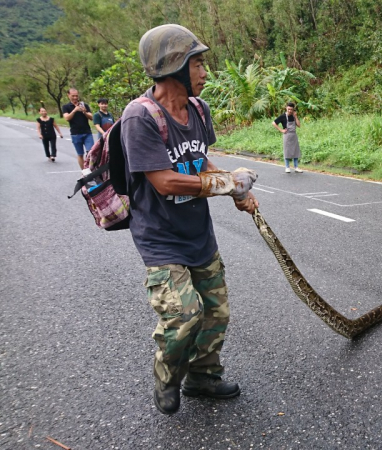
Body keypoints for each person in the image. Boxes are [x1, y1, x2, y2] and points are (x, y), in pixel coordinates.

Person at [121, 24, 259, 415]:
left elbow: (199, 160)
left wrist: (236, 190)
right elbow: (164, 182)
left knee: (215, 313)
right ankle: (167, 374)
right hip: (160, 239)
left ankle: (203, 376)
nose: (204, 72)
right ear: (174, 66)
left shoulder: (199, 109)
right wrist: (227, 183)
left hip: (199, 234)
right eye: (198, 63)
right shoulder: (140, 117)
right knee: (184, 315)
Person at [62, 88, 95, 169]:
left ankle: (92, 170)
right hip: (75, 133)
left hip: (87, 133)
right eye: (73, 96)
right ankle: (84, 172)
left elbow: (91, 117)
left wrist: (84, 112)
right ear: (68, 95)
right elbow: (67, 118)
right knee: (80, 154)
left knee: (91, 152)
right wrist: (75, 110)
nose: (75, 98)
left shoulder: (84, 105)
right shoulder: (66, 107)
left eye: (76, 96)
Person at [272, 102, 303, 173]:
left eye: (291, 109)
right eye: (288, 109)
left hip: (294, 135)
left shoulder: (294, 116)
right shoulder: (283, 116)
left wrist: (296, 117)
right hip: (287, 135)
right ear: (286, 108)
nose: (290, 111)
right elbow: (274, 123)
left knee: (296, 151)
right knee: (287, 151)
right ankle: (287, 167)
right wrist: (281, 130)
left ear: (293, 110)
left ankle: (296, 167)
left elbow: (298, 125)